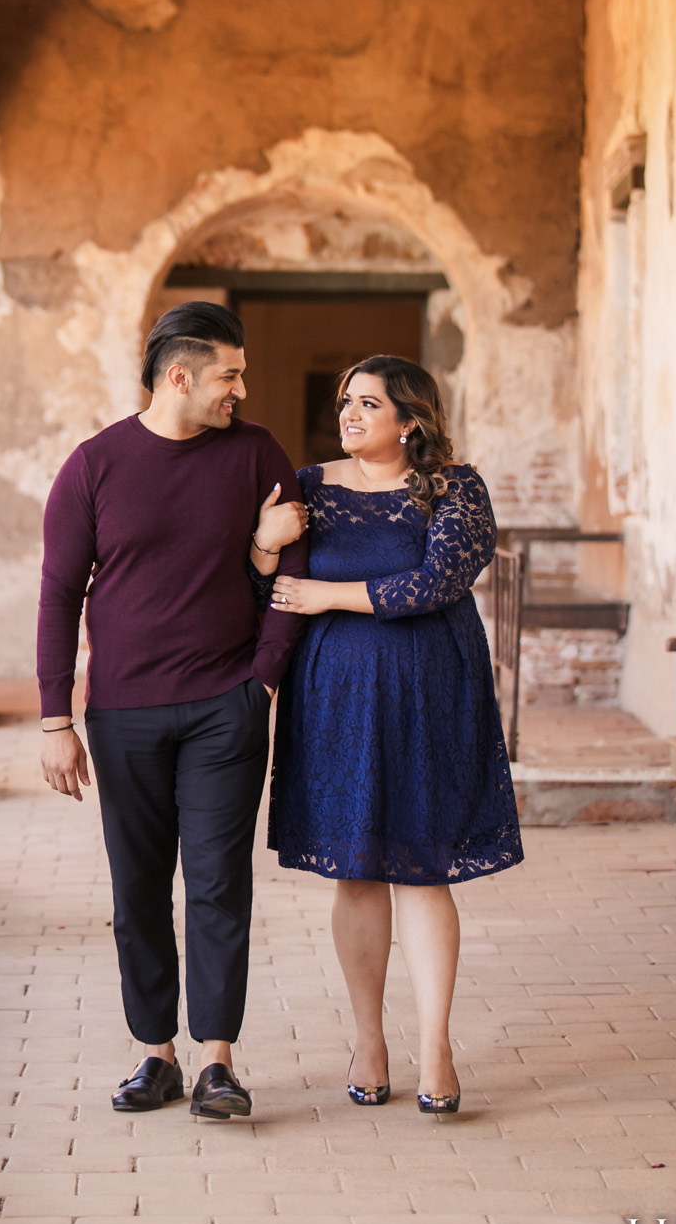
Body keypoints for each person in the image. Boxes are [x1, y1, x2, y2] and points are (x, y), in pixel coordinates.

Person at [37, 301, 309, 1120]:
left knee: (220, 885)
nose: (242, 387)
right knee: (140, 889)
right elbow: (57, 594)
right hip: (124, 713)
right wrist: (57, 718)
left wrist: (261, 678)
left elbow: (290, 570)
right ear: (179, 375)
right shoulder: (93, 466)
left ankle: (217, 1060)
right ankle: (154, 1053)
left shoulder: (257, 453)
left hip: (226, 706)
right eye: (230, 372)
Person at [255, 355, 523, 1118]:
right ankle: (368, 1038)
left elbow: (437, 583)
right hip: (335, 694)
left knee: (424, 866)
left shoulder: (456, 488)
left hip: (430, 687)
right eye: (345, 401)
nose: (349, 414)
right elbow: (259, 582)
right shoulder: (307, 487)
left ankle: (435, 1043)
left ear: (410, 419)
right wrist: (266, 547)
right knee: (356, 869)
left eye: (368, 403)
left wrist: (324, 595)